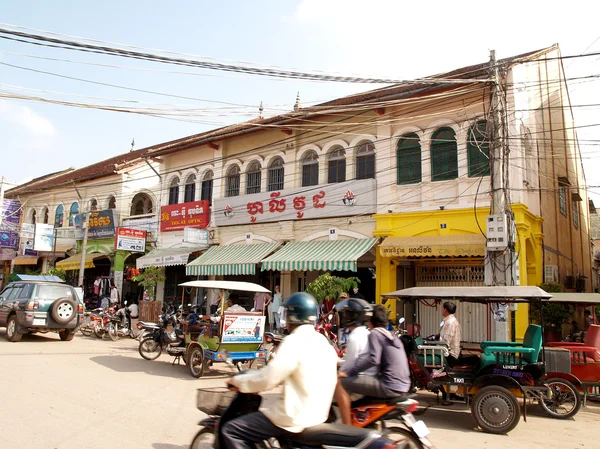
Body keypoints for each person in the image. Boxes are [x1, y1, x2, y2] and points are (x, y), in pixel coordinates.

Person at [222, 292, 338, 449]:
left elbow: (269, 378)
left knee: (231, 430)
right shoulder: (324, 343)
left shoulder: (294, 341)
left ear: (293, 316)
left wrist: (238, 381)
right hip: (318, 416)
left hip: (292, 418)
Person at [336, 305, 411, 425]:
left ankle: (347, 427)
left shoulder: (375, 334)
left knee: (341, 383)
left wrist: (348, 372)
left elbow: (373, 359)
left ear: (370, 322)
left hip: (388, 385)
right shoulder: (391, 335)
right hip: (404, 385)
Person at [336, 297, 375, 376]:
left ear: (354, 316)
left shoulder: (355, 337)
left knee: (338, 379)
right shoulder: (366, 333)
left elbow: (348, 367)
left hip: (363, 378)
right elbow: (354, 361)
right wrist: (337, 362)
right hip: (370, 377)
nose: (345, 316)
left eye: (348, 314)